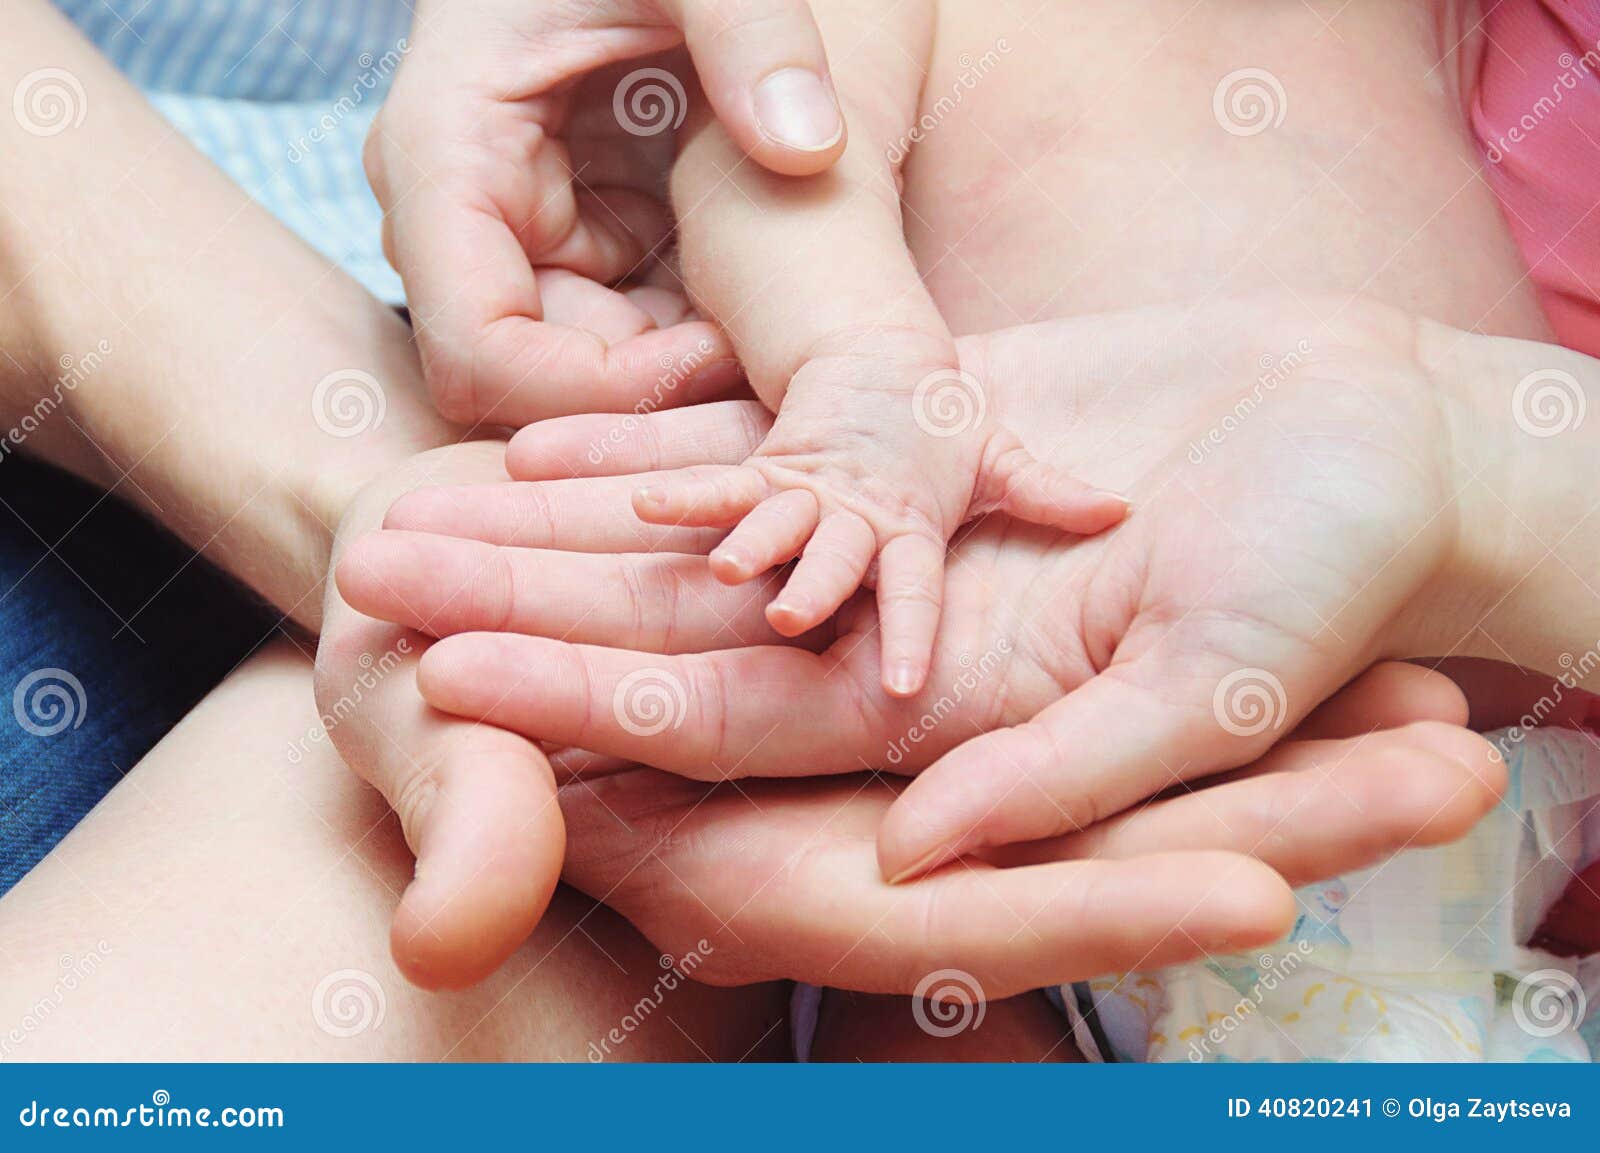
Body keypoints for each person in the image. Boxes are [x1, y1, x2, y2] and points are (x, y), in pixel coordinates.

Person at [0, 0, 1575, 1061]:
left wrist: (1490, 485)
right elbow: (780, 147)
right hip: (767, 711)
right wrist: (862, 377)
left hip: (1431, 827)